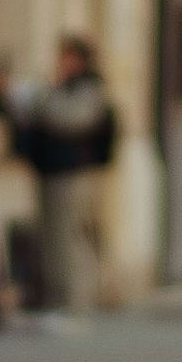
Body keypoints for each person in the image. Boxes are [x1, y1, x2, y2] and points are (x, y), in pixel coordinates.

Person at [11, 34, 120, 312]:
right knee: (53, 238)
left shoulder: (88, 89)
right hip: (52, 170)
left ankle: (74, 299)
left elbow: (69, 120)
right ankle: (57, 297)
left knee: (70, 238)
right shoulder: (62, 88)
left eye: (66, 57)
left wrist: (39, 104)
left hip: (74, 175)